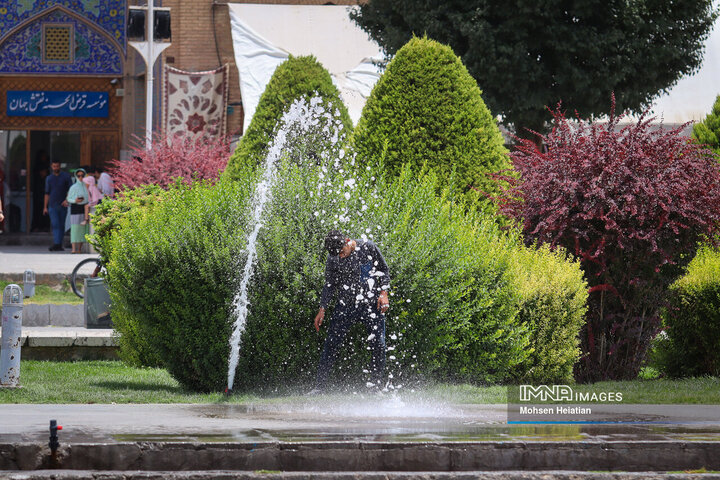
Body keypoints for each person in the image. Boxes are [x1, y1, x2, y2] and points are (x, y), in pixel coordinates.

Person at [311, 230, 391, 394]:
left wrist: (384, 294)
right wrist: (322, 309)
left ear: (347, 241)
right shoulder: (333, 257)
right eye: (336, 255)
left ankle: (375, 387)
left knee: (378, 344)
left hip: (371, 306)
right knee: (331, 343)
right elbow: (330, 284)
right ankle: (319, 388)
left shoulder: (369, 247)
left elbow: (384, 270)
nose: (340, 256)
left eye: (342, 252)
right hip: (345, 305)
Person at [43, 160, 72, 251]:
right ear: (51, 167)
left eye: (57, 166)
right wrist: (45, 207)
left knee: (61, 224)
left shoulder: (66, 177)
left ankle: (59, 243)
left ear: (60, 166)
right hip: (52, 204)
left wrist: (66, 200)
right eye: (54, 166)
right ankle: (57, 243)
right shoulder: (49, 178)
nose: (56, 168)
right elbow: (47, 193)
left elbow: (71, 190)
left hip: (63, 204)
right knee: (55, 224)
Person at [66, 169, 89, 254]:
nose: (80, 177)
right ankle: (73, 249)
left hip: (83, 208)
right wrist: (75, 200)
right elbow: (68, 198)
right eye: (78, 176)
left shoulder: (86, 186)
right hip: (75, 209)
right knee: (75, 229)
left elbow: (88, 197)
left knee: (82, 229)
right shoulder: (73, 187)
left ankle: (79, 249)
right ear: (76, 176)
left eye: (82, 175)